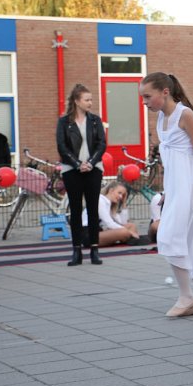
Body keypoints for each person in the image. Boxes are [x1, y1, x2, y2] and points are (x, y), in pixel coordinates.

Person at [140, 72, 193, 317]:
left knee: (168, 235)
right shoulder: (161, 118)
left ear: (164, 92)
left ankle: (186, 296)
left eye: (148, 96)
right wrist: (169, 190)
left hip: (191, 184)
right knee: (191, 238)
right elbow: (171, 158)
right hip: (177, 184)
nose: (144, 102)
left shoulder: (185, 114)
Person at [56, 84, 107, 266]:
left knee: (93, 209)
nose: (90, 103)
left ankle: (94, 250)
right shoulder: (64, 122)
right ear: (77, 101)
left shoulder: (95, 120)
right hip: (71, 170)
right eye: (87, 100)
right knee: (76, 210)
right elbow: (62, 147)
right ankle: (76, 251)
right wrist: (77, 164)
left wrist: (91, 163)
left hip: (94, 169)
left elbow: (102, 144)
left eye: (91, 99)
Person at [91, 182, 142, 246]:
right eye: (119, 193)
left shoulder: (110, 205)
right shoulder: (100, 200)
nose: (121, 197)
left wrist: (124, 203)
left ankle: (129, 239)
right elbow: (109, 223)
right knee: (124, 232)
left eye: (123, 195)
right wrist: (130, 232)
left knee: (131, 226)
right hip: (89, 234)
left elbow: (123, 222)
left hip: (100, 231)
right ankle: (130, 239)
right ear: (111, 190)